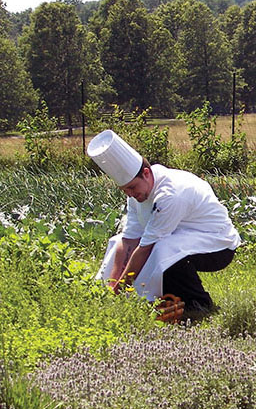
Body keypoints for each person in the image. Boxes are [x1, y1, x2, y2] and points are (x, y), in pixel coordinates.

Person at [87, 129, 241, 318]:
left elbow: (145, 248)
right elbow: (128, 240)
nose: (130, 194)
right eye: (124, 190)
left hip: (217, 246)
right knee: (116, 241)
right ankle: (115, 296)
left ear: (146, 173)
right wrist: (113, 282)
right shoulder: (137, 194)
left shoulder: (170, 194)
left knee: (163, 249)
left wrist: (123, 286)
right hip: (182, 238)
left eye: (132, 188)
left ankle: (199, 303)